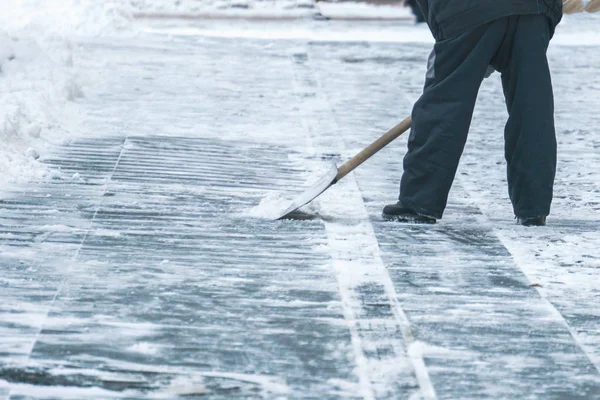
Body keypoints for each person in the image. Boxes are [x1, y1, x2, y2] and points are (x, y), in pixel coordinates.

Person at [383, 0, 563, 227]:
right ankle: (533, 208)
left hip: (466, 10)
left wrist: (454, 35)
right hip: (533, 9)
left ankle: (420, 202)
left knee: (444, 103)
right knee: (532, 106)